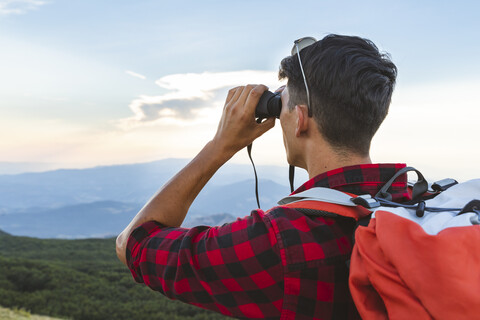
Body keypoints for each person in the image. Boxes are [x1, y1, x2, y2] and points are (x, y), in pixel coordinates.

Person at [116, 34, 406, 319]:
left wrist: (220, 145)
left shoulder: (279, 244)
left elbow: (133, 244)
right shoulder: (419, 205)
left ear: (300, 120)